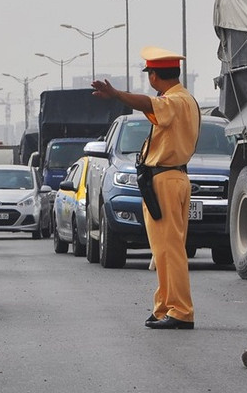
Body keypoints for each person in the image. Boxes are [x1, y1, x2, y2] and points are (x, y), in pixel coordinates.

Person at [91, 45, 200, 330]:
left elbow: (146, 104)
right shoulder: (185, 99)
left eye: (150, 73)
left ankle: (180, 310)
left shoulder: (174, 101)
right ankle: (165, 305)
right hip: (166, 178)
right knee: (162, 249)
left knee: (171, 248)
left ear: (154, 76)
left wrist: (116, 95)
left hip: (166, 178)